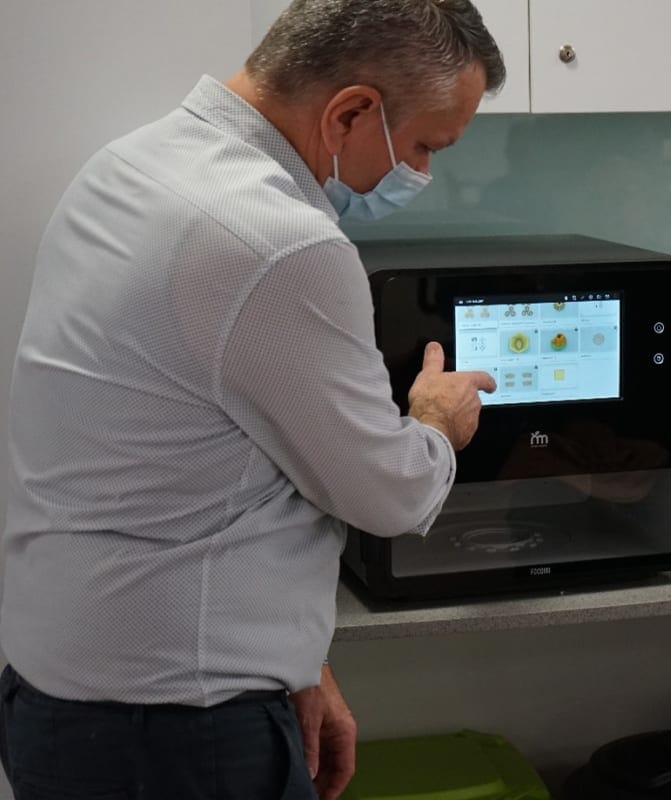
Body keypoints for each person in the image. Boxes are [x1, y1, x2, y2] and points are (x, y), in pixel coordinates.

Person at [0, 1, 504, 798]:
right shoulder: (279, 241)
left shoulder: (132, 164)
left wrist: (297, 662)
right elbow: (390, 493)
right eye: (423, 147)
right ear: (352, 112)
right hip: (173, 731)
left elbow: (193, 459)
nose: (421, 173)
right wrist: (436, 418)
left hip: (65, 694)